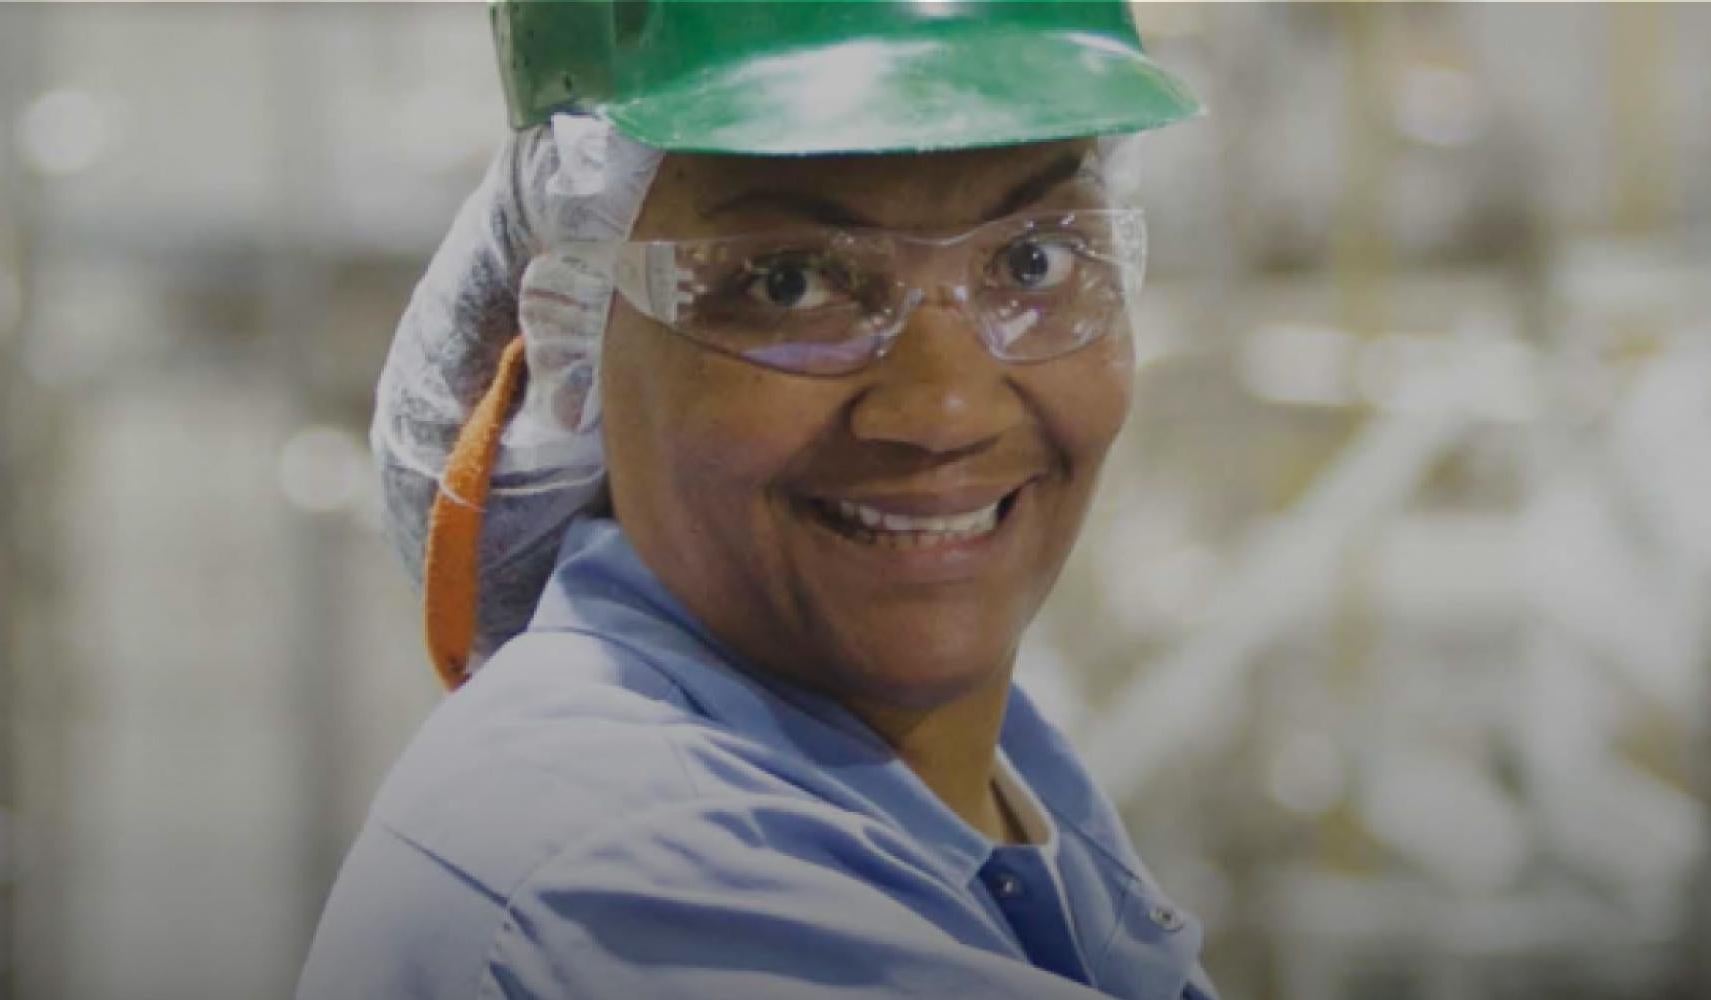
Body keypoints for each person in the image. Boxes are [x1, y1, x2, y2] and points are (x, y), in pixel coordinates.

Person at [297, 3, 1210, 997]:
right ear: (574, 335)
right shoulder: (629, 882)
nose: (945, 406)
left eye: (1033, 260)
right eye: (789, 281)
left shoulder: (983, 792)